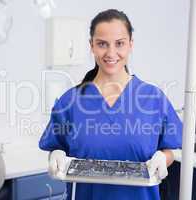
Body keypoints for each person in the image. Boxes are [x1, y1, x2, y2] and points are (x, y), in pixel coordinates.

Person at [39, 9, 182, 200]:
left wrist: (163, 158)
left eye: (120, 43)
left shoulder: (154, 99)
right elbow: (57, 147)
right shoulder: (70, 101)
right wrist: (55, 154)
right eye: (102, 44)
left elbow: (169, 150)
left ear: (131, 45)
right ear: (91, 46)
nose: (111, 52)